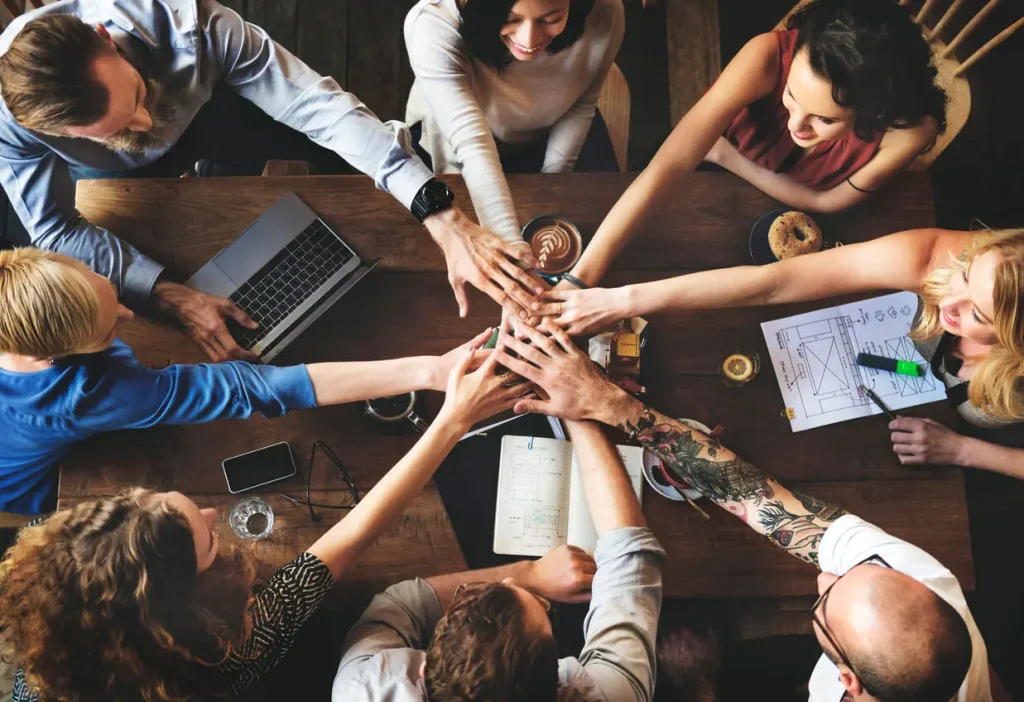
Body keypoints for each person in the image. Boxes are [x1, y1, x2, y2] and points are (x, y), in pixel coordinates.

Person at [0, 0, 542, 363]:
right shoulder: (12, 118)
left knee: (322, 154)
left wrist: (441, 214)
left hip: (208, 109)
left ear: (106, 40)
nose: (144, 125)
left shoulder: (196, 26)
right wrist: (167, 294)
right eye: (116, 126)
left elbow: (317, 106)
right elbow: (55, 229)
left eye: (137, 97)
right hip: (110, 174)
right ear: (52, 132)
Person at [0, 337, 529, 702]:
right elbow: (350, 537)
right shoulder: (224, 652)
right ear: (194, 609)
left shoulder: (59, 559)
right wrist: (451, 422)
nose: (212, 513)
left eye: (170, 502)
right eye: (207, 542)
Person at [494, 322, 991, 702]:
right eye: (864, 569)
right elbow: (759, 497)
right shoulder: (924, 584)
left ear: (847, 682)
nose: (824, 575)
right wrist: (609, 403)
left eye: (824, 603)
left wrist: (701, 688)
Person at [0, 247, 500, 514]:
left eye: (110, 293)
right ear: (51, 355)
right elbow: (258, 388)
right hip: (30, 485)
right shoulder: (88, 394)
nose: (130, 314)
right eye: (111, 329)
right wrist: (430, 371)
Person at [534, 227, 1024, 478]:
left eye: (978, 314)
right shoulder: (955, 260)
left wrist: (964, 450)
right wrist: (622, 300)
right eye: (965, 275)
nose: (947, 303)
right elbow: (775, 282)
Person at [551, 0, 947, 290]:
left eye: (824, 120)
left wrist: (729, 156)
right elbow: (668, 165)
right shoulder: (766, 54)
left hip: (768, 210)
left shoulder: (909, 133)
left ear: (877, 114)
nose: (796, 125)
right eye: (790, 96)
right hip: (707, 178)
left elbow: (829, 203)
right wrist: (581, 276)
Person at [332, 419, 664, 702]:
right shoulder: (611, 695)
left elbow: (397, 606)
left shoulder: (363, 688)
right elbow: (632, 557)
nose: (510, 581)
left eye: (466, 600)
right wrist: (577, 413)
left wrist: (531, 576)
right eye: (542, 606)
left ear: (423, 668)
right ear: (558, 681)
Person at [404, 0, 624, 244]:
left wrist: (552, 181)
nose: (528, 41)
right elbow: (473, 146)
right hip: (454, 141)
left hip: (551, 131)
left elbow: (581, 103)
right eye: (510, 19)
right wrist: (510, 245)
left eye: (551, 19)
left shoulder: (606, 12)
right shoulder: (433, 23)